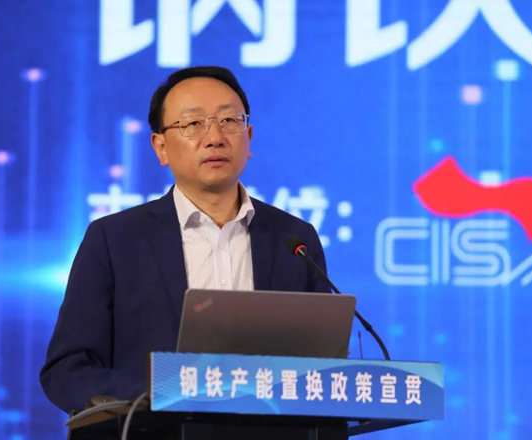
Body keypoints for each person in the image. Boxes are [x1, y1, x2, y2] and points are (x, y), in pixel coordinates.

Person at [40, 66, 329, 414]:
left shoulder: (294, 240)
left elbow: (321, 369)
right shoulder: (114, 241)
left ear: (248, 137)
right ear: (160, 147)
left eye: (228, 121)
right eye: (193, 124)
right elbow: (68, 370)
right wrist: (163, 396)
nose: (215, 138)